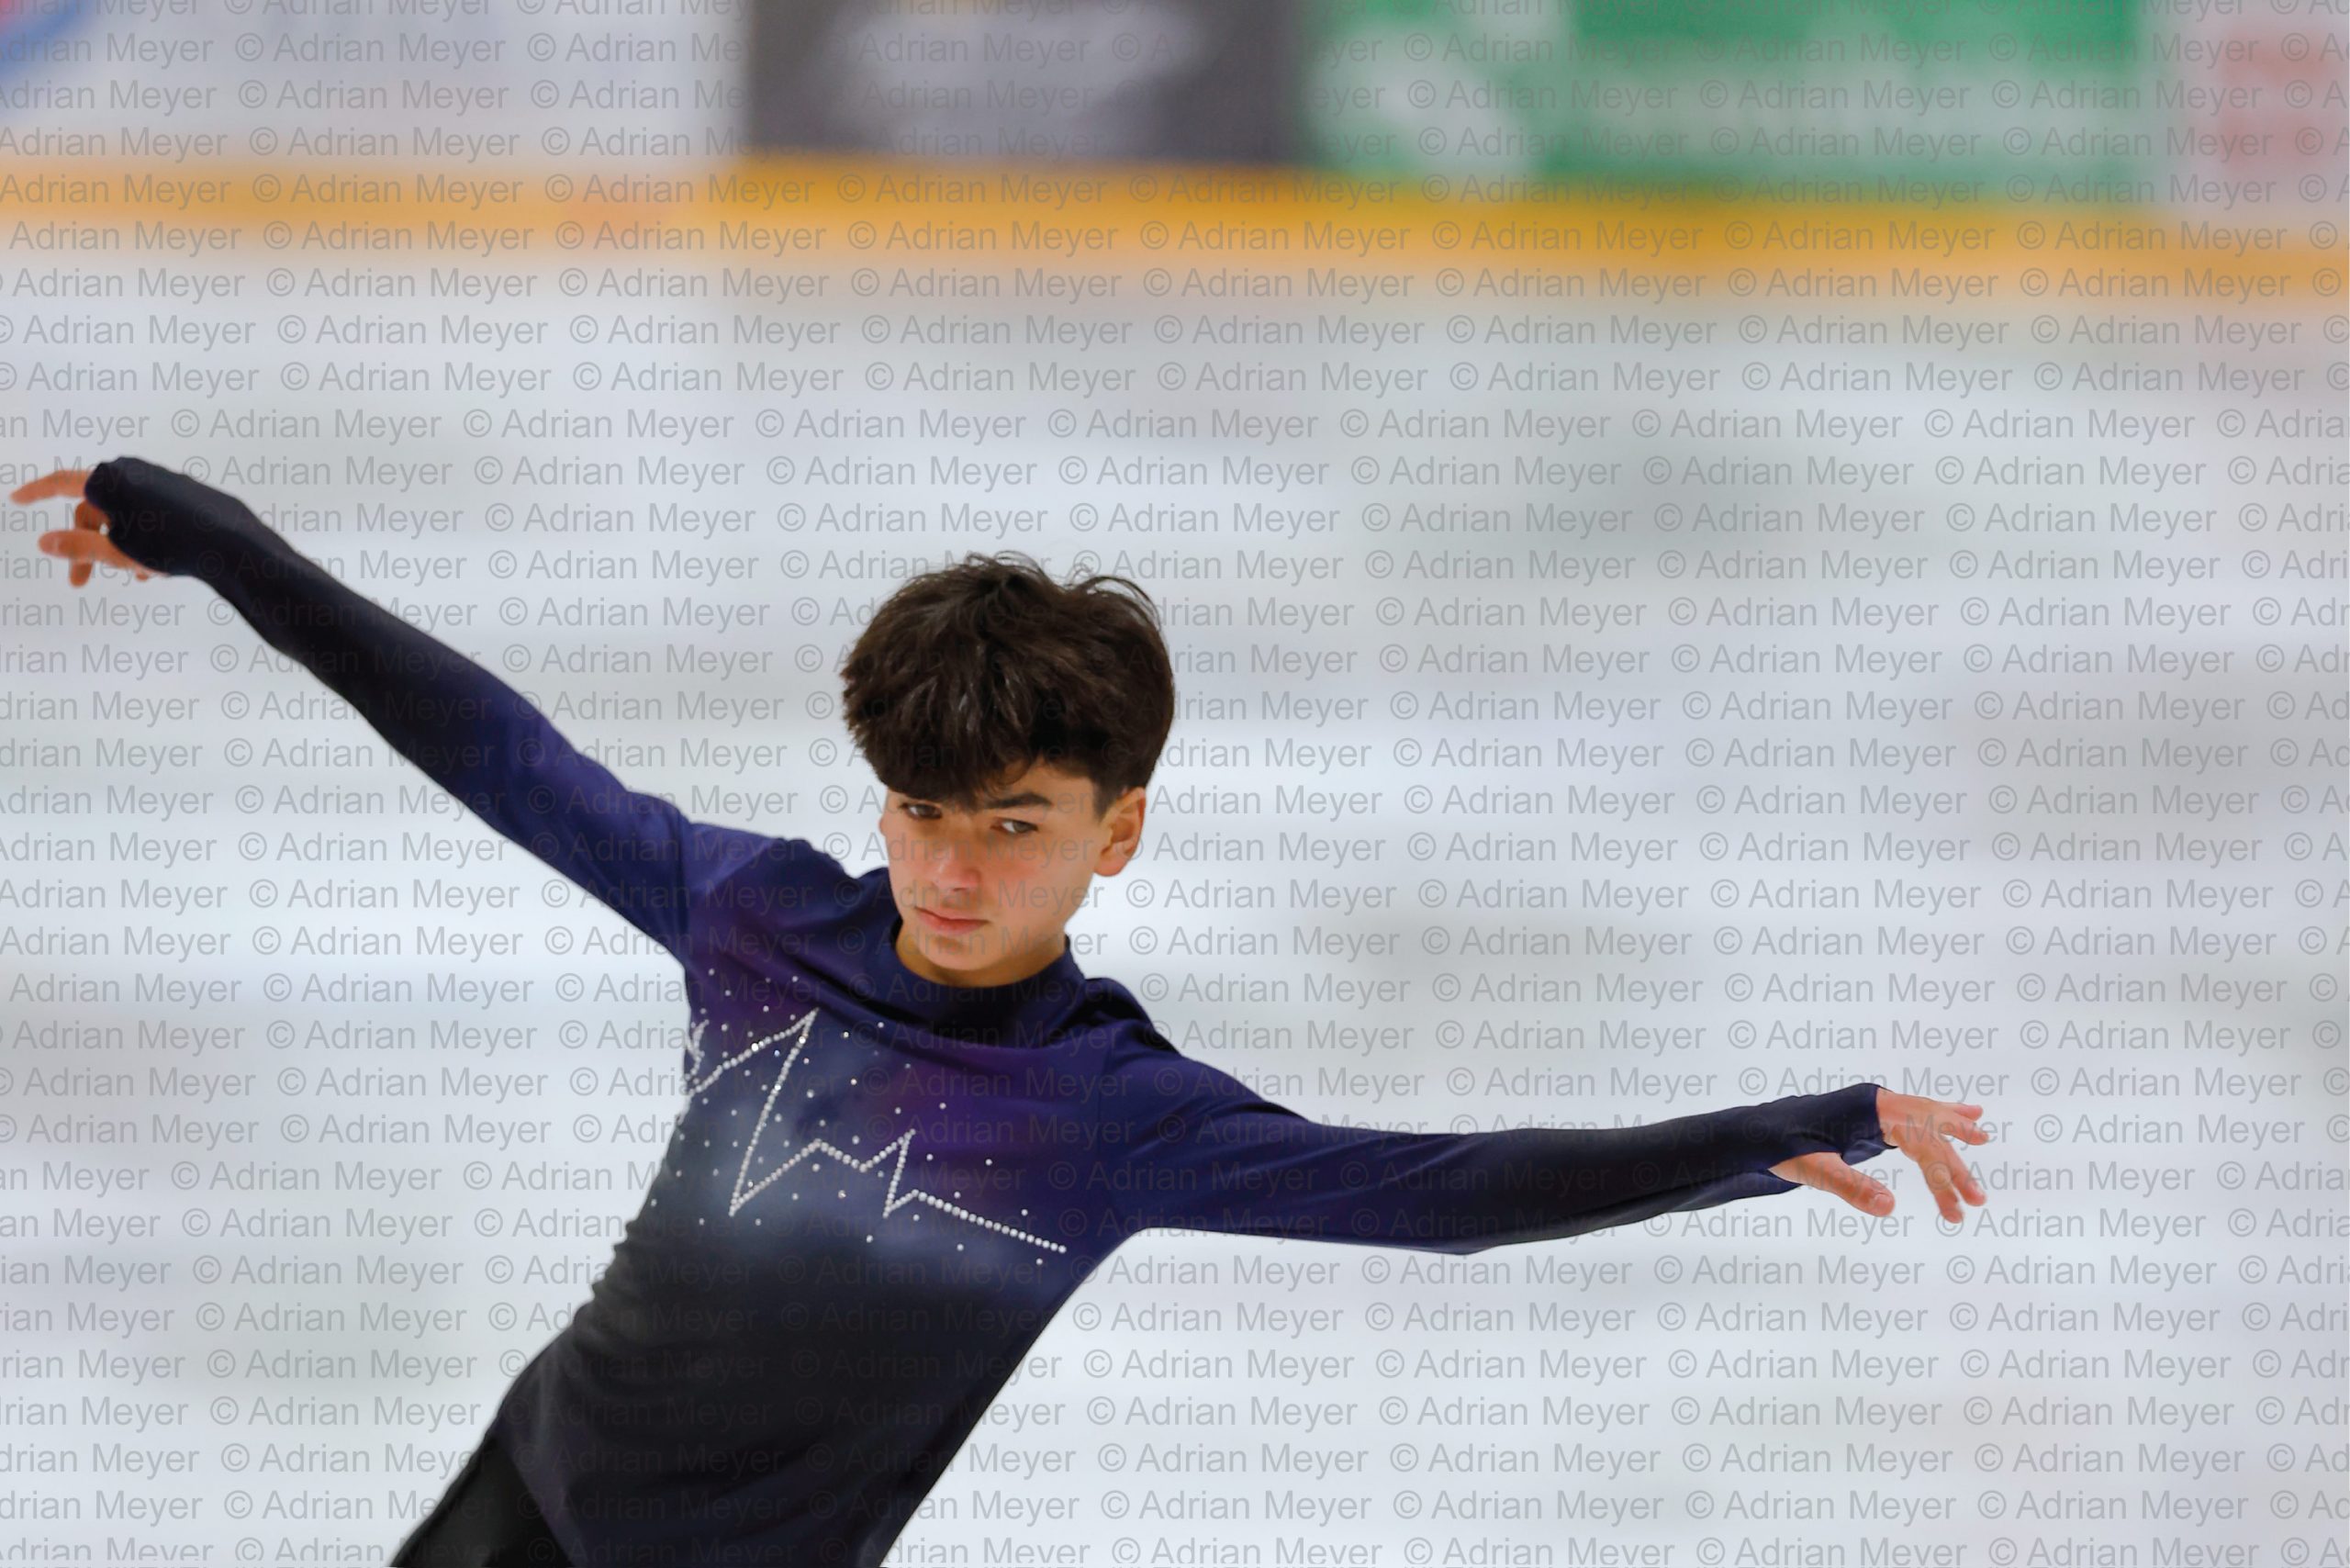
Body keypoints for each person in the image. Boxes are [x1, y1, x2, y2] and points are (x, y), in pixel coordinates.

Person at [19, 458, 1990, 1568]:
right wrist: (212, 538)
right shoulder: (755, 915)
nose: (951, 870)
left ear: (1114, 831)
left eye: (1013, 825)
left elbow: (1447, 1193)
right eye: (921, 812)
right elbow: (491, 744)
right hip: (525, 1490)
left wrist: (1765, 1137)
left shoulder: (1109, 1112)